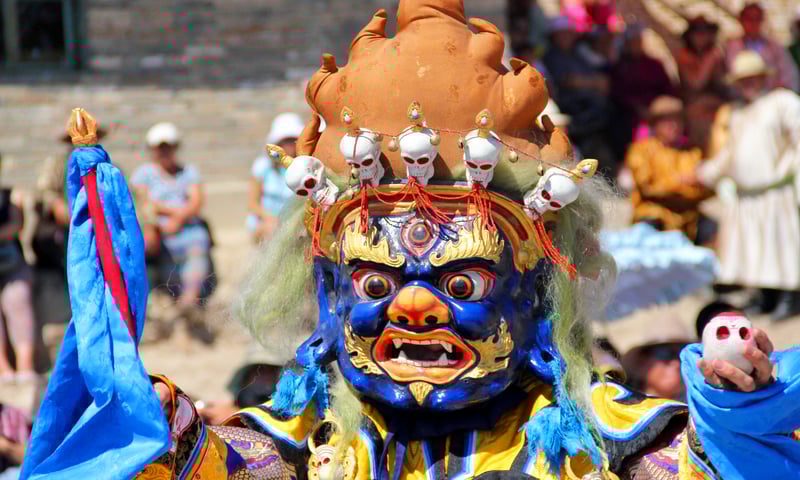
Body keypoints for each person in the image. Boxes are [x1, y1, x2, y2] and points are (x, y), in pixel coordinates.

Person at [23, 4, 800, 480]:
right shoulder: (307, 435)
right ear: (327, 292)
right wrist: (172, 432)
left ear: (533, 293)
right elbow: (223, 466)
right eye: (373, 284)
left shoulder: (597, 434)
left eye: (462, 283)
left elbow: (711, 466)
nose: (417, 306)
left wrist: (740, 411)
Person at [697, 50, 800, 321]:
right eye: (743, 79)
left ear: (763, 77)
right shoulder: (738, 113)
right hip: (748, 195)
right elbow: (731, 153)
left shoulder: (783, 101)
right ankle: (766, 296)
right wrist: (706, 173)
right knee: (757, 250)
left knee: (782, 246)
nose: (748, 84)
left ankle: (790, 297)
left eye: (753, 78)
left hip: (777, 189)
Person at [131, 122, 214, 314]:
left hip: (187, 228)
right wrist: (175, 213)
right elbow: (145, 203)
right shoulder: (143, 174)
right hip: (157, 229)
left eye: (168, 148)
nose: (164, 153)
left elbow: (196, 202)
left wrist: (177, 218)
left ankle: (189, 302)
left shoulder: (188, 172)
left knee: (198, 243)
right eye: (160, 149)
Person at [625, 96, 714, 244]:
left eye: (678, 120)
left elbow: (706, 187)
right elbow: (647, 186)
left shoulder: (692, 152)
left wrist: (685, 186)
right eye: (667, 121)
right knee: (647, 227)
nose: (674, 125)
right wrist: (681, 182)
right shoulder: (641, 150)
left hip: (688, 218)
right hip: (655, 214)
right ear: (655, 125)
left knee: (712, 228)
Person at [543, 16, 616, 174]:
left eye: (568, 34)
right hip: (572, 114)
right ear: (554, 36)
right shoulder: (551, 57)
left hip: (594, 116)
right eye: (562, 34)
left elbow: (603, 82)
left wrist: (586, 82)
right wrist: (592, 83)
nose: (566, 38)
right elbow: (569, 81)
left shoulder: (578, 55)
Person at [0, 155, 38, 384]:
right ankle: (3, 370)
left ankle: (26, 368)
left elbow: (17, 225)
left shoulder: (10, 193)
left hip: (12, 263)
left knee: (19, 301)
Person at [611, 25, 675, 156]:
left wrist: (658, 108)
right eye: (632, 42)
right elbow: (618, 93)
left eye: (638, 41)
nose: (636, 45)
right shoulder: (620, 67)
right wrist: (637, 108)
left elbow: (668, 90)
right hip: (630, 115)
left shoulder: (655, 65)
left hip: (658, 111)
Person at [246, 113, 301, 244]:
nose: (289, 146)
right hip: (266, 221)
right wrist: (270, 218)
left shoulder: (304, 167)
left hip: (296, 221)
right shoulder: (262, 166)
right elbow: (253, 204)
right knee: (273, 231)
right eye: (285, 141)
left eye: (292, 141)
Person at [676, 16, 728, 151]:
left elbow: (724, 83)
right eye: (698, 33)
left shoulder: (716, 54)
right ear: (690, 36)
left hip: (716, 104)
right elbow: (696, 84)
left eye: (705, 33)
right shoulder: (685, 56)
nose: (702, 37)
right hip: (694, 107)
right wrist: (709, 61)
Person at [725, 2, 799, 92]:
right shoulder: (732, 47)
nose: (753, 23)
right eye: (749, 19)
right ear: (741, 20)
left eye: (757, 19)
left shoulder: (775, 47)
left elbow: (789, 75)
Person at [620, 317, 692, 401]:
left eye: (684, 355)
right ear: (641, 363)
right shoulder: (628, 411)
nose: (676, 363)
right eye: (665, 353)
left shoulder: (699, 410)